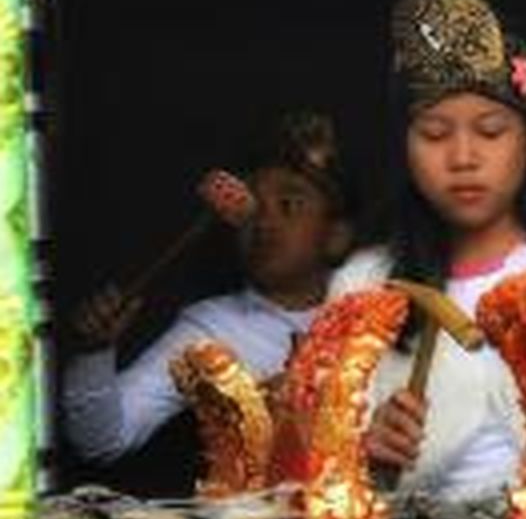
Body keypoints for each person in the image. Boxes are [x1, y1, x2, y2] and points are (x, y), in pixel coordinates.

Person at [332, 0, 526, 500]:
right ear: (405, 151)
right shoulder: (362, 285)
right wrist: (361, 452)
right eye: (434, 134)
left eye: (491, 130)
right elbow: (316, 477)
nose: (463, 157)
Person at [62, 110, 355, 466]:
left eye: (289, 205)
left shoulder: (377, 315)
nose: (264, 221)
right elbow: (104, 441)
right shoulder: (209, 330)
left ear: (337, 236)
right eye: (254, 206)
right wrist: (95, 351)